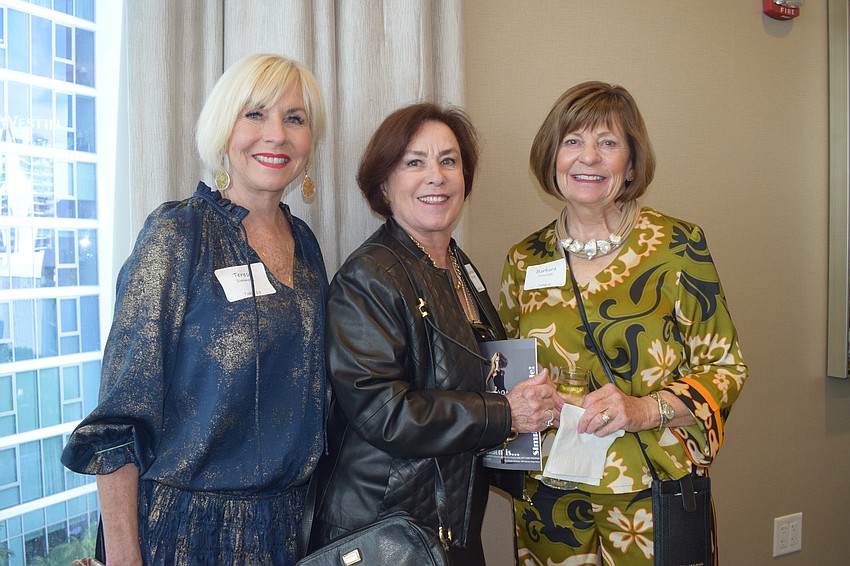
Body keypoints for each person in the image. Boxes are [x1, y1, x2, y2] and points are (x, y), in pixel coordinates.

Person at [61, 53, 329, 566]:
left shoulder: (308, 245)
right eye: (255, 114)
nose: (276, 134)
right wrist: (123, 559)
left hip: (284, 529)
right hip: (182, 533)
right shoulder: (178, 235)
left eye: (294, 119)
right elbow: (119, 421)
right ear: (223, 127)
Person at [499, 81, 748, 564]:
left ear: (631, 163)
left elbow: (726, 368)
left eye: (607, 143)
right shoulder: (523, 259)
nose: (587, 157)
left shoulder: (677, 246)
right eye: (572, 141)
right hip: (550, 500)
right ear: (552, 157)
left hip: (650, 497)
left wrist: (642, 409)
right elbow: (508, 372)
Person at [306, 103, 561, 564]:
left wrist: (532, 399)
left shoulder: (457, 265)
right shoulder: (369, 276)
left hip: (446, 519)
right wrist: (507, 413)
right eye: (414, 162)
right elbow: (386, 412)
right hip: (384, 530)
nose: (436, 177)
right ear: (384, 184)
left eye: (449, 160)